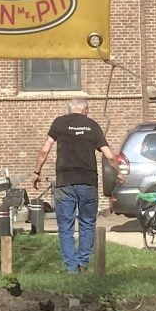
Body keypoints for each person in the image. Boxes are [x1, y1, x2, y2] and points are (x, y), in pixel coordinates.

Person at [30, 98, 110, 274]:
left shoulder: (59, 123)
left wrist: (36, 172)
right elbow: (109, 155)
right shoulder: (93, 126)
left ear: (69, 109)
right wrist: (118, 172)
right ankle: (83, 264)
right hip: (88, 182)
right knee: (87, 223)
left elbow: (45, 150)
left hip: (65, 182)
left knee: (65, 226)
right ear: (85, 109)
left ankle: (71, 269)